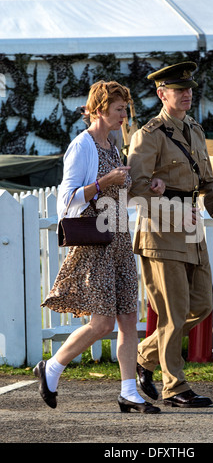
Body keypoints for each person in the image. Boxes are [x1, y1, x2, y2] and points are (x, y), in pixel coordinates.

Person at [33, 80, 164, 414]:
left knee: (129, 321)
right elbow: (66, 202)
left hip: (119, 241)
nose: (124, 115)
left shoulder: (113, 145)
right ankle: (51, 368)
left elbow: (121, 194)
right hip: (96, 244)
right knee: (103, 324)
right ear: (101, 108)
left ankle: (128, 393)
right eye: (119, 109)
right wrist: (105, 182)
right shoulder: (83, 146)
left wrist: (149, 186)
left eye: (125, 109)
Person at [127, 62, 213, 408]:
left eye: (189, 89)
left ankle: (144, 355)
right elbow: (136, 189)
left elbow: (208, 181)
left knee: (202, 305)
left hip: (191, 230)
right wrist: (174, 210)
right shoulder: (149, 134)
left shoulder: (196, 131)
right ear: (162, 94)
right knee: (174, 314)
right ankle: (175, 387)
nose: (187, 94)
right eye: (179, 90)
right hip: (161, 232)